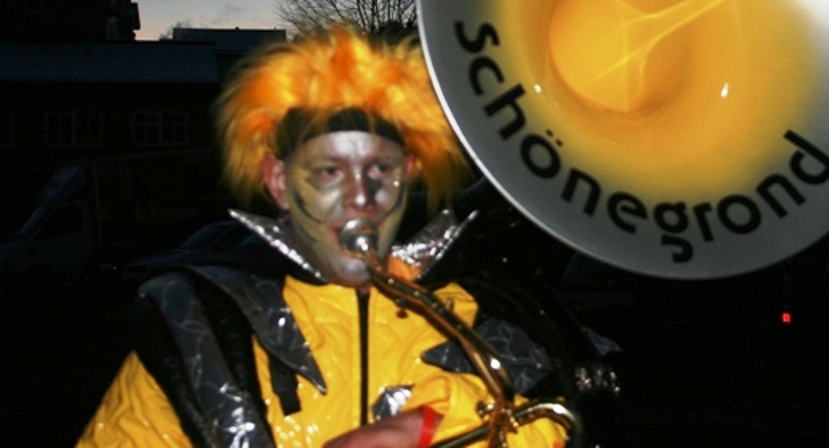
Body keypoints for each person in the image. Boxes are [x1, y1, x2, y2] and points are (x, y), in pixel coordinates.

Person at [77, 24, 569, 447]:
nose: (361, 199)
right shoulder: (200, 332)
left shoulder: (478, 315)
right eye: (330, 171)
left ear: (409, 173)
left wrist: (433, 423)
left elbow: (564, 423)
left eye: (381, 169)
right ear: (278, 182)